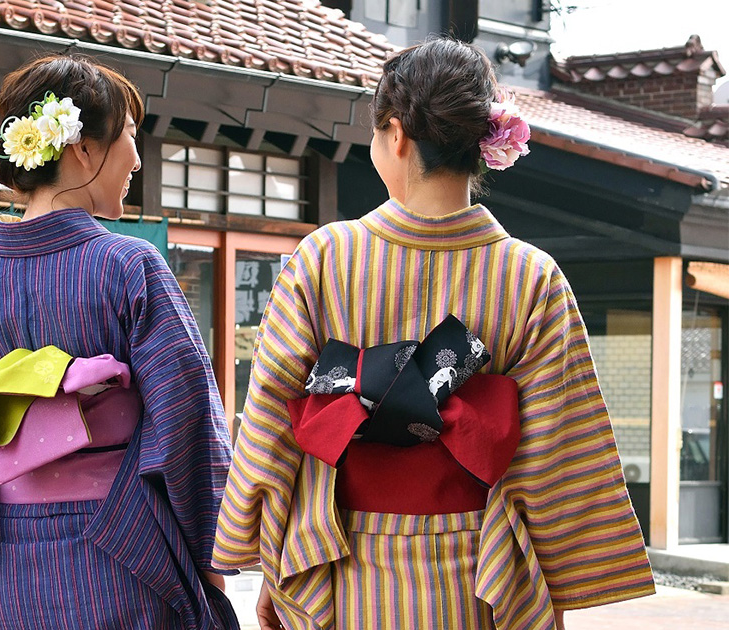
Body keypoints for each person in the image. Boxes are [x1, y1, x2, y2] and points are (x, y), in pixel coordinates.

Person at [211, 37, 654, 630]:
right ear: (479, 141)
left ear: (396, 133)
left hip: (342, 564)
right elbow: (554, 448)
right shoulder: (530, 277)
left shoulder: (324, 258)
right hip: (479, 575)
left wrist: (273, 556)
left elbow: (272, 413)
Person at [0, 54, 239, 629]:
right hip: (124, 552)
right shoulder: (130, 266)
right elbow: (186, 424)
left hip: (12, 561)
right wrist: (216, 560)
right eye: (130, 138)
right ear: (80, 149)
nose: (138, 158)